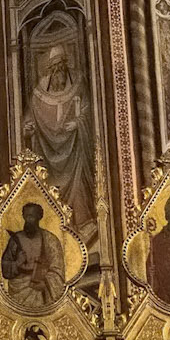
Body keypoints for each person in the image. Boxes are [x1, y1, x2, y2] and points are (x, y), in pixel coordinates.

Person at [26, 38, 96, 238]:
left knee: (80, 187)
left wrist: (79, 122)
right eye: (54, 68)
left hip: (74, 150)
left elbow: (86, 109)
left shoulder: (78, 86)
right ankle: (54, 226)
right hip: (48, 154)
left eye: (61, 67)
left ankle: (84, 224)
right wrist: (28, 128)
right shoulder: (39, 94)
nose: (58, 73)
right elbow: (31, 115)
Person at [0, 200, 71, 314]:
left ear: (39, 217)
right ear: (23, 216)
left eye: (32, 217)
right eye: (26, 216)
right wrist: (17, 263)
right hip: (18, 291)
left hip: (41, 289)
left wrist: (45, 282)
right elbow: (4, 266)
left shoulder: (50, 240)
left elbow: (58, 269)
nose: (29, 220)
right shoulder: (15, 240)